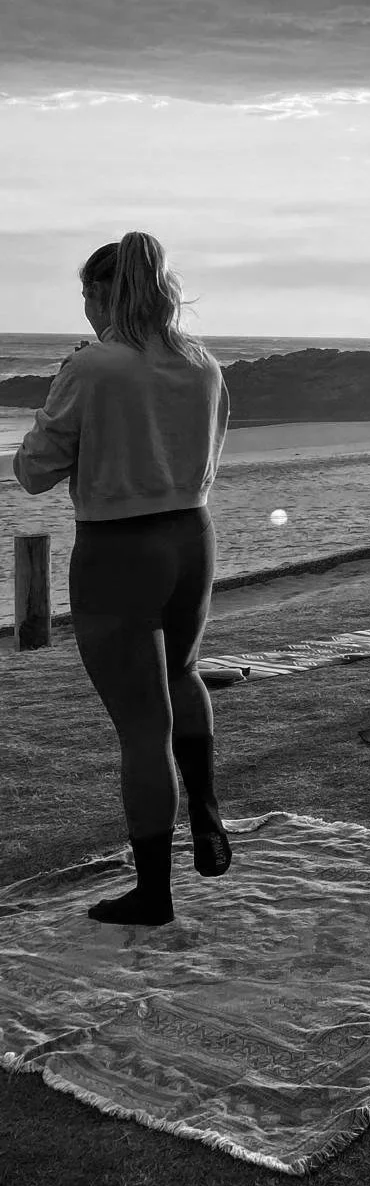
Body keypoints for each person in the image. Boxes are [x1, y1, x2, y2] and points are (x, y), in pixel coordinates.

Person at [13, 233, 232, 927]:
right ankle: (204, 805)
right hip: (192, 534)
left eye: (85, 294)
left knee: (141, 729)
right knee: (183, 673)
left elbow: (35, 470)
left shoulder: (93, 366)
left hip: (118, 547)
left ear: (102, 294)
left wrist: (62, 389)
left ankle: (154, 893)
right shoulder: (201, 363)